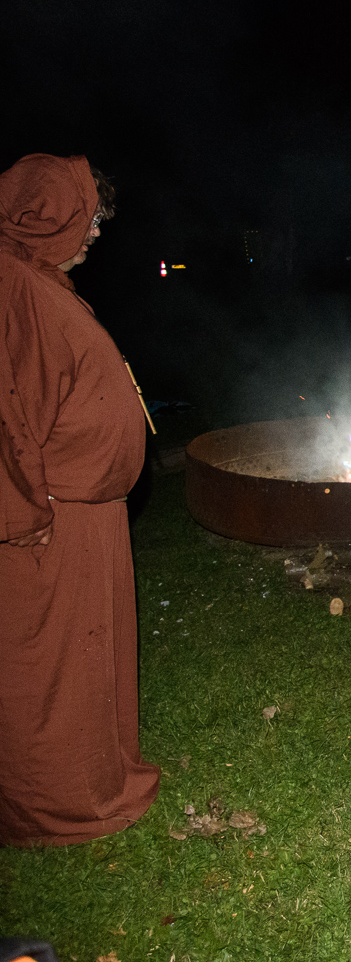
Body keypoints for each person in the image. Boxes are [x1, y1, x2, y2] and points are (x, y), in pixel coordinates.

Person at [0, 153, 161, 845]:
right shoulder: (15, 290)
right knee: (54, 670)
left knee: (94, 662)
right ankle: (56, 805)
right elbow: (9, 415)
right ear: (49, 214)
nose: (96, 233)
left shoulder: (42, 282)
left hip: (88, 517)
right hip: (53, 524)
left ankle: (101, 776)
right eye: (90, 218)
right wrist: (23, 513)